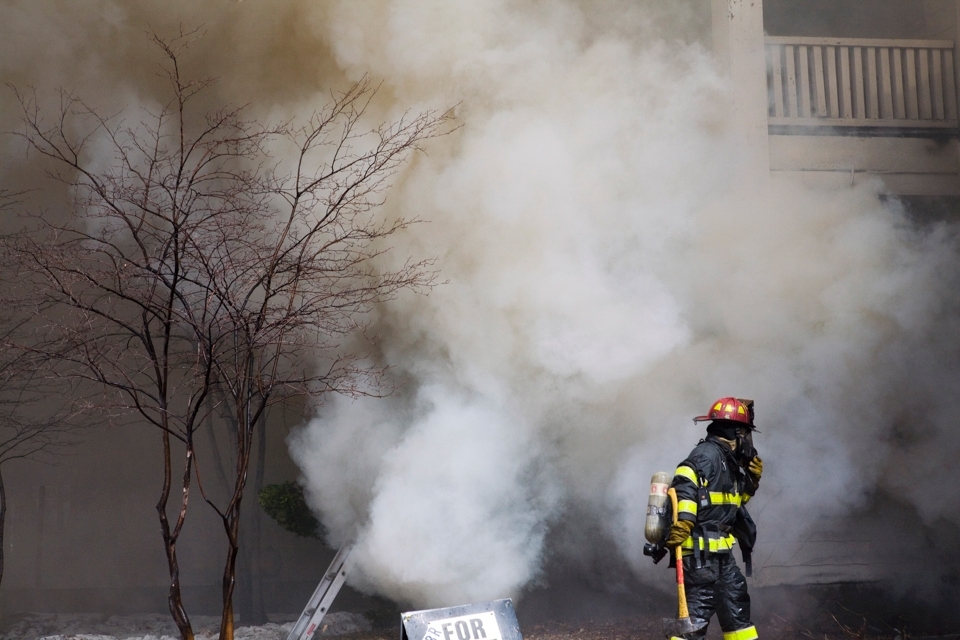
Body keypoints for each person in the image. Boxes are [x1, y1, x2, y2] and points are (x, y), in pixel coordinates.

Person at [664, 397, 763, 640]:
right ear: (737, 432)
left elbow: (730, 506)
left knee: (736, 605)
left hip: (721, 555)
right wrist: (685, 520)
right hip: (699, 553)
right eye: (746, 433)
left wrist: (751, 482)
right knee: (695, 616)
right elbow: (684, 482)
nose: (748, 441)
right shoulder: (705, 455)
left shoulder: (728, 461)